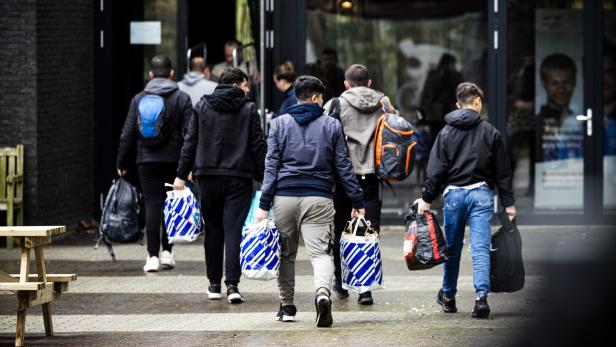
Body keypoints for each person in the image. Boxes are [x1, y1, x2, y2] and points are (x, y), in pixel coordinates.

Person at [253, 75, 365, 327]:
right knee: (321, 253)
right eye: (322, 98)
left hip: (284, 197)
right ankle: (323, 293)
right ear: (315, 98)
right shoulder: (331, 125)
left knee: (286, 254)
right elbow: (343, 167)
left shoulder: (279, 124)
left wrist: (263, 205)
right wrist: (357, 200)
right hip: (319, 197)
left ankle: (287, 306)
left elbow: (270, 167)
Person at [414, 82, 516, 319]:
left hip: (453, 196)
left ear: (458, 105)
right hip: (481, 194)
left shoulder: (446, 133)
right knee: (480, 248)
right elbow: (502, 171)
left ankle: (449, 297)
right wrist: (508, 203)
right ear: (478, 102)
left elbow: (436, 169)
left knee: (452, 249)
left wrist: (427, 198)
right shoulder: (490, 132)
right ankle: (481, 300)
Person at [174, 68, 266, 304]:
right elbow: (257, 145)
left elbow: (190, 142)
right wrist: (264, 176)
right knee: (233, 229)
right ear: (236, 85)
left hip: (208, 176)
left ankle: (214, 284)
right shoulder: (247, 109)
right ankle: (233, 286)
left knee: (213, 230)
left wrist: (181, 175)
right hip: (239, 176)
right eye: (245, 85)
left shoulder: (202, 106)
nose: (247, 89)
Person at [116, 55, 193, 272]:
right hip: (174, 160)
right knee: (171, 205)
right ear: (171, 73)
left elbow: (127, 133)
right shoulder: (181, 98)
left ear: (150, 74)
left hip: (146, 160)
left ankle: (152, 257)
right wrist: (189, 165)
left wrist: (121, 161)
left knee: (152, 205)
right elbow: (190, 134)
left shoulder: (139, 98)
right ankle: (167, 253)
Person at [323, 64, 384, 305]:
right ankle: (365, 288)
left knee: (340, 229)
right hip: (371, 176)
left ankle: (340, 281)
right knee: (368, 230)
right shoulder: (384, 104)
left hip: (342, 178)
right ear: (369, 83)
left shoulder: (335, 105)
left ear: (346, 84)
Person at [535, 53, 582, 161]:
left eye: (567, 82)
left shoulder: (582, 122)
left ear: (574, 81)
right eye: (554, 83)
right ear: (543, 83)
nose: (561, 89)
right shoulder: (537, 124)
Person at [420, 53, 463, 141]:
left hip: (451, 112)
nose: (452, 67)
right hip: (435, 114)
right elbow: (427, 92)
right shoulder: (434, 75)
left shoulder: (456, 76)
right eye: (451, 64)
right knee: (435, 138)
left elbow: (460, 91)